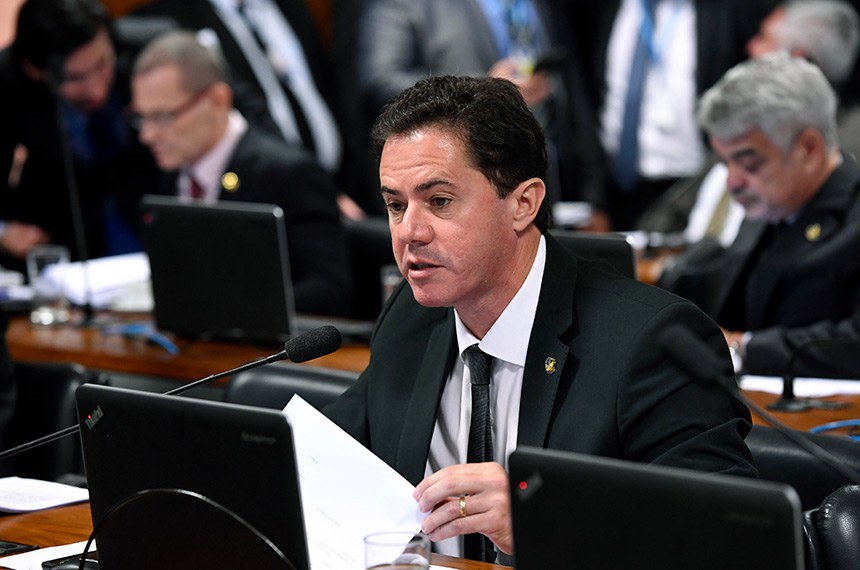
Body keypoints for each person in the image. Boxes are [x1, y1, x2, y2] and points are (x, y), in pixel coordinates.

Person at [323, 75, 757, 563]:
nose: (409, 232)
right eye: (395, 205)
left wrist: (551, 521)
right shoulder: (410, 317)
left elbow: (728, 540)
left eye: (439, 201)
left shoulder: (649, 342)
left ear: (523, 203)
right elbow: (327, 460)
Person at [660, 54, 860, 378]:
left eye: (748, 164)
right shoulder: (767, 206)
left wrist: (745, 349)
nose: (732, 182)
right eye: (724, 163)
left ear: (809, 149)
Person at [131, 31, 352, 317]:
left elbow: (329, 289)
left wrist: (230, 311)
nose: (147, 135)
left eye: (162, 117)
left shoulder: (290, 174)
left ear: (218, 100)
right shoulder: (171, 170)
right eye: (142, 118)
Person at [352, 0, 605, 222]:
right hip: (458, 187)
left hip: (556, 183)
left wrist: (595, 197)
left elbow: (575, 89)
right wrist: (487, 90)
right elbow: (381, 80)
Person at [637, 0, 860, 246]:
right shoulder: (745, 128)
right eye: (727, 163)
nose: (751, 46)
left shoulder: (839, 151)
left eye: (764, 38)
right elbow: (669, 214)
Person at [568, 0, 776, 230]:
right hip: (612, 189)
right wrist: (594, 196)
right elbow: (583, 98)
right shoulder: (598, 8)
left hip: (691, 189)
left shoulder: (730, 11)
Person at [0, 0, 161, 266]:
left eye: (102, 64)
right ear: (34, 70)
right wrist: (4, 231)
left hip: (150, 215)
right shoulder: (7, 81)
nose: (97, 90)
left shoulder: (154, 50)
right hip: (59, 237)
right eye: (76, 78)